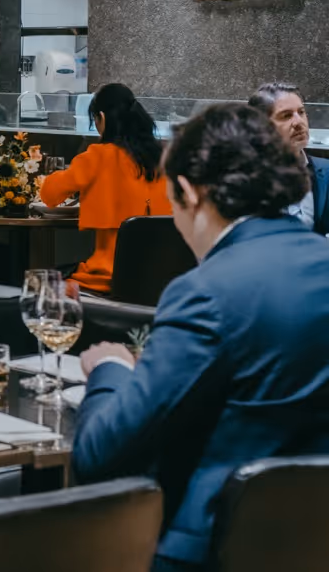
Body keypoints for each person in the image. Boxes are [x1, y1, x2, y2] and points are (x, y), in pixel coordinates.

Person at [73, 103, 329, 572]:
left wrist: (111, 368)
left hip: (210, 550)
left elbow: (100, 455)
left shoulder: (204, 292)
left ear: (189, 193)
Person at [40, 83, 172, 293]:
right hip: (160, 277)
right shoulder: (164, 159)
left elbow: (49, 194)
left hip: (107, 277)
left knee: (41, 282)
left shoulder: (99, 156)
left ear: (101, 117)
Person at [248, 81, 329, 235]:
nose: (299, 122)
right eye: (286, 116)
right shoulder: (244, 179)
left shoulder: (327, 170)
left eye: (301, 112)